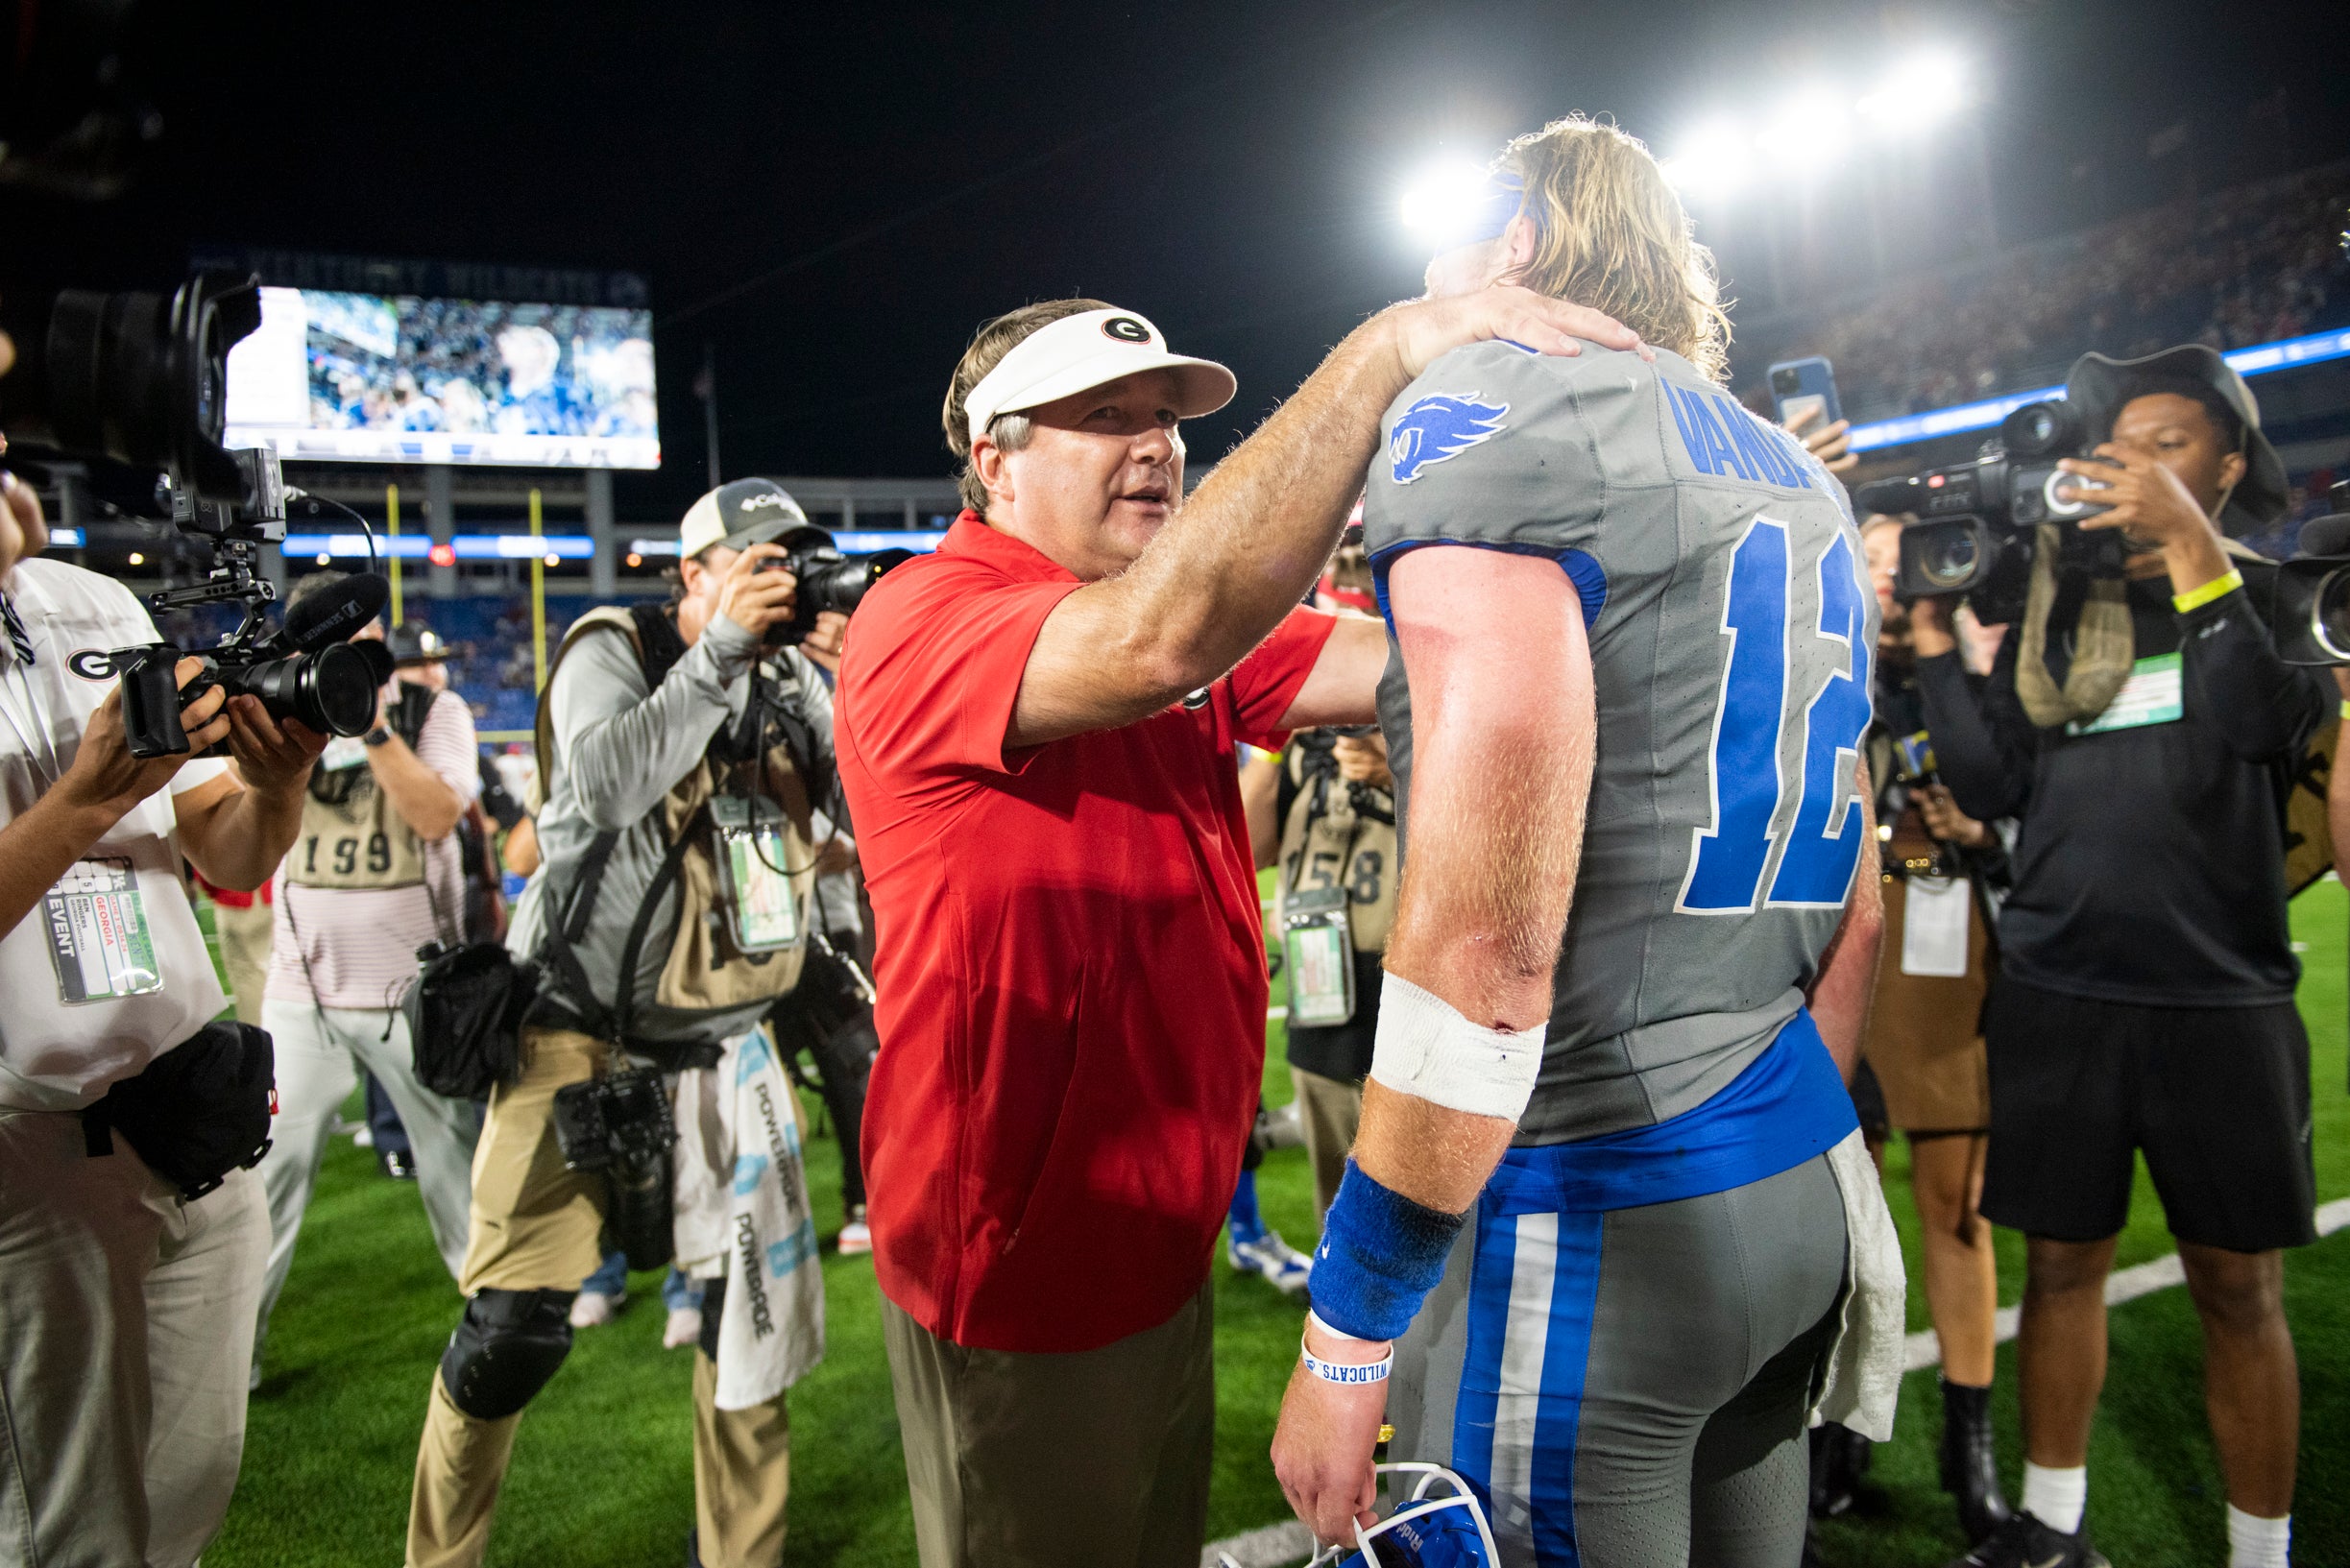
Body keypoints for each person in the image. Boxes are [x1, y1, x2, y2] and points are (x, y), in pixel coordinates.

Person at [836, 283, 1642, 1568]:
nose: (1154, 444)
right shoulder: (921, 616)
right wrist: (1379, 355)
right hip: (1024, 1256)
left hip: (1155, 1228)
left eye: (1163, 417)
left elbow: (1395, 658)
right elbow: (1161, 639)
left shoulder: (1161, 610)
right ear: (993, 458)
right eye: (1104, 417)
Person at [1271, 116, 1901, 1568]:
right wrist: (1770, 1121)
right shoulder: (1794, 474)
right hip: (1791, 1161)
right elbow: (1859, 912)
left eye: (1453, 241)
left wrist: (1353, 1325)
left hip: (1591, 1205)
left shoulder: (1493, 403)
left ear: (1524, 245)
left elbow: (1486, 948)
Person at [1913, 345, 2328, 1568]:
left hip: (2218, 996)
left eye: (2171, 447)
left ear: (2228, 464)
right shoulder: (2059, 605)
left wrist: (2195, 548)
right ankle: (2050, 1527)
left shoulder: (2263, 590)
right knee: (2057, 1268)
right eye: (2122, 448)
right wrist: (1937, 641)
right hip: (2056, 988)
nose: (2136, 468)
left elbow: (2264, 720)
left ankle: (2260, 1550)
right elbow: (1987, 784)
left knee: (2236, 1290)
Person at [405, 477, 841, 1568]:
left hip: (733, 1046)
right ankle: (439, 1557)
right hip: (577, 1038)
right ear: (693, 573)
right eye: (755, 560)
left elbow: (852, 816)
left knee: (751, 1336)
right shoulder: (616, 645)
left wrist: (860, 671)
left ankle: (742, 1556)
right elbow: (603, 786)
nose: (778, 580)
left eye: (792, 561)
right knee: (508, 1333)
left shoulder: (792, 680)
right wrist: (722, 654)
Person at [0, 436, 328, 1567]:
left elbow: (220, 839)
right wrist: (81, 804)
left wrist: (276, 784)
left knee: (188, 1493)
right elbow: (97, 811)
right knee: (70, 1532)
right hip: (33, 1158)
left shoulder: (88, 602)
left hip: (186, 1112)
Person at [1813, 514, 2015, 1543]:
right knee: (1837, 1209)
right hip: (1838, 948)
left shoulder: (1973, 661)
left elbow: (1999, 785)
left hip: (1944, 948)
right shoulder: (1819, 652)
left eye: (1908, 561)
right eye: (1875, 562)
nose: (1895, 583)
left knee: (1956, 1202)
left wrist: (1937, 643)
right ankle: (1834, 1427)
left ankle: (1965, 1449)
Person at [249, 588, 484, 1387]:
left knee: (456, 1173)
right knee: (266, 1179)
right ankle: (232, 1361)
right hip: (301, 991)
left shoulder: (433, 710)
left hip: (411, 993)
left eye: (367, 649)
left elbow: (435, 816)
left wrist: (372, 721)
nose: (351, 662)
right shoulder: (276, 708)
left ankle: (492, 1337)